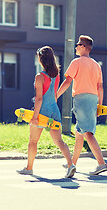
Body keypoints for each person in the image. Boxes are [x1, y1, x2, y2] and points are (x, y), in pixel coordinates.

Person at [17, 46, 76, 178]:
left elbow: (39, 99)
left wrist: (35, 117)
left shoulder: (40, 76)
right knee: (59, 141)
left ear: (41, 59)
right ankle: (70, 164)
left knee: (33, 141)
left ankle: (29, 168)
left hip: (42, 111)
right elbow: (53, 94)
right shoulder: (56, 75)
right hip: (54, 109)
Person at [57, 35, 107, 175]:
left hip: (82, 99)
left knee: (88, 133)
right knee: (79, 132)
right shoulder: (96, 65)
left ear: (84, 47)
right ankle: (72, 163)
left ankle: (101, 163)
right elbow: (100, 87)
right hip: (93, 100)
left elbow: (67, 81)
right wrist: (100, 105)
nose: (76, 46)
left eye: (78, 44)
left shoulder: (77, 62)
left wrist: (56, 95)